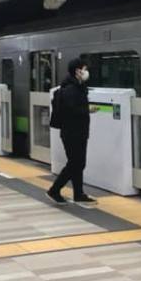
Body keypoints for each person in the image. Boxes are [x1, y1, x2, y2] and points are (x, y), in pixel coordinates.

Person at [47, 58, 97, 205]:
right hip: (72, 132)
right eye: (84, 69)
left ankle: (78, 193)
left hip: (78, 131)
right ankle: (54, 190)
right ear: (77, 71)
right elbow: (71, 110)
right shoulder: (71, 89)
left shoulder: (78, 86)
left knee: (78, 163)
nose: (86, 72)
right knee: (76, 163)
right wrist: (87, 110)